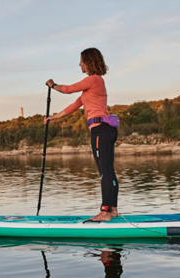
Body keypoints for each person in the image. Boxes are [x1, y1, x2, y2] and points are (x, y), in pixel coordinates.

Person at [45, 47, 119, 222]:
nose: (79, 64)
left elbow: (68, 89)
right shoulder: (91, 87)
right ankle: (112, 209)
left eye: (82, 61)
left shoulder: (94, 80)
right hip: (104, 130)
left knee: (105, 172)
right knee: (108, 171)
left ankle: (105, 212)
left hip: (101, 130)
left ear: (89, 62)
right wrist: (54, 118)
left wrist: (53, 85)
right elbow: (74, 105)